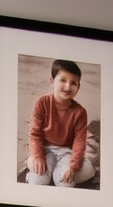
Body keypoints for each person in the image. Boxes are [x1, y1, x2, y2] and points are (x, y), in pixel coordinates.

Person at [27, 58, 95, 187]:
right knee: (37, 181)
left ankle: (55, 173)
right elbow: (35, 134)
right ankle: (44, 170)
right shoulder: (42, 102)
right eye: (63, 80)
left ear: (78, 87)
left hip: (66, 153)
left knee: (77, 177)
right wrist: (37, 156)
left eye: (74, 83)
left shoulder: (80, 112)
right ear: (52, 81)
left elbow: (79, 142)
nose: (68, 86)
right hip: (45, 150)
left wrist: (73, 166)